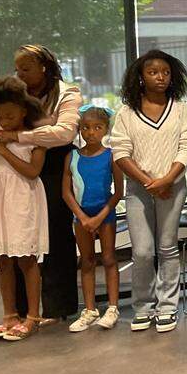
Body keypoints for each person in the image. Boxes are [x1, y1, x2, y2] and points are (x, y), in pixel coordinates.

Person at [0, 45, 82, 322]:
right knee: (14, 241)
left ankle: (56, 307)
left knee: (55, 235)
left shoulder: (67, 92)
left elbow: (64, 133)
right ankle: (15, 311)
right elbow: (2, 125)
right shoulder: (14, 95)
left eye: (26, 68)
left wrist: (18, 137)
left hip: (53, 167)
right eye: (17, 69)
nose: (20, 74)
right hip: (14, 169)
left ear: (44, 67)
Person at [111, 50, 187, 334]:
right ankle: (143, 307)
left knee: (168, 247)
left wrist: (167, 180)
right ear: (140, 76)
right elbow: (120, 152)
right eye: (153, 72)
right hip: (139, 189)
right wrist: (151, 183)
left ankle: (167, 307)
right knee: (143, 251)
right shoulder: (126, 112)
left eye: (165, 72)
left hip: (173, 187)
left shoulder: (181, 109)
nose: (160, 77)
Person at [0, 76, 48, 342]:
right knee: (2, 259)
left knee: (26, 259)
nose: (4, 121)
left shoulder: (33, 140)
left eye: (10, 115)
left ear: (23, 111)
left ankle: (33, 316)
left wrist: (4, 150)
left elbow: (33, 172)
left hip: (23, 202)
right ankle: (9, 315)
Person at [63, 105, 122, 332]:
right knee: (86, 261)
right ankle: (89, 309)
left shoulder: (112, 156)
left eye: (97, 128)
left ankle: (113, 307)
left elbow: (117, 192)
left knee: (108, 258)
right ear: (79, 129)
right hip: (81, 217)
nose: (91, 133)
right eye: (86, 128)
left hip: (104, 215)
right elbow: (66, 192)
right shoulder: (72, 156)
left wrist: (99, 217)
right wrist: (82, 217)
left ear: (105, 129)